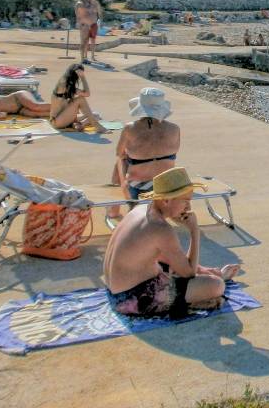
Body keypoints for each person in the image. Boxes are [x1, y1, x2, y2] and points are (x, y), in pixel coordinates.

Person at [103, 167, 240, 318]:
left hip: (114, 292)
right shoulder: (160, 228)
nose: (188, 207)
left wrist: (205, 270)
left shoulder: (141, 209)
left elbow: (166, 258)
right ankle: (213, 282)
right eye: (185, 201)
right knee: (216, 285)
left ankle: (214, 274)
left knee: (175, 265)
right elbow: (188, 273)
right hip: (132, 299)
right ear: (166, 200)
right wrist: (194, 231)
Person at [107, 88, 180, 222]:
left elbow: (119, 154)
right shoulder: (175, 129)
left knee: (120, 161)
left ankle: (113, 210)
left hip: (138, 186)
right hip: (166, 185)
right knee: (163, 159)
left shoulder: (130, 128)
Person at [50, 63, 108, 133]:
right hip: (57, 121)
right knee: (81, 99)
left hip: (65, 118)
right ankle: (97, 126)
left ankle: (79, 125)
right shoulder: (64, 83)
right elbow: (87, 94)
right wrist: (83, 77)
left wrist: (82, 76)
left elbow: (86, 94)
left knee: (96, 115)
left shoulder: (67, 83)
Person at [74, 0, 98, 65]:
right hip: (83, 24)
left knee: (85, 42)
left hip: (86, 24)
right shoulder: (80, 4)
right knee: (83, 42)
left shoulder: (83, 4)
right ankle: (82, 59)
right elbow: (80, 14)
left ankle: (84, 58)